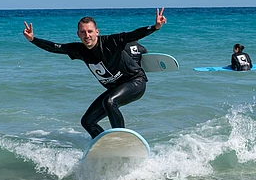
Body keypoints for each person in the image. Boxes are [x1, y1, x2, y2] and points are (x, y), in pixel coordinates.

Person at [23, 8, 167, 139]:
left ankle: (121, 140)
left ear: (96, 32)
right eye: (83, 32)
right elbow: (54, 47)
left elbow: (134, 34)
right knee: (87, 121)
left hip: (135, 82)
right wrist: (33, 39)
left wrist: (154, 27)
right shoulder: (79, 50)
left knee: (109, 102)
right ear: (78, 34)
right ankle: (104, 144)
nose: (87, 35)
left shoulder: (111, 42)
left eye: (90, 31)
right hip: (115, 88)